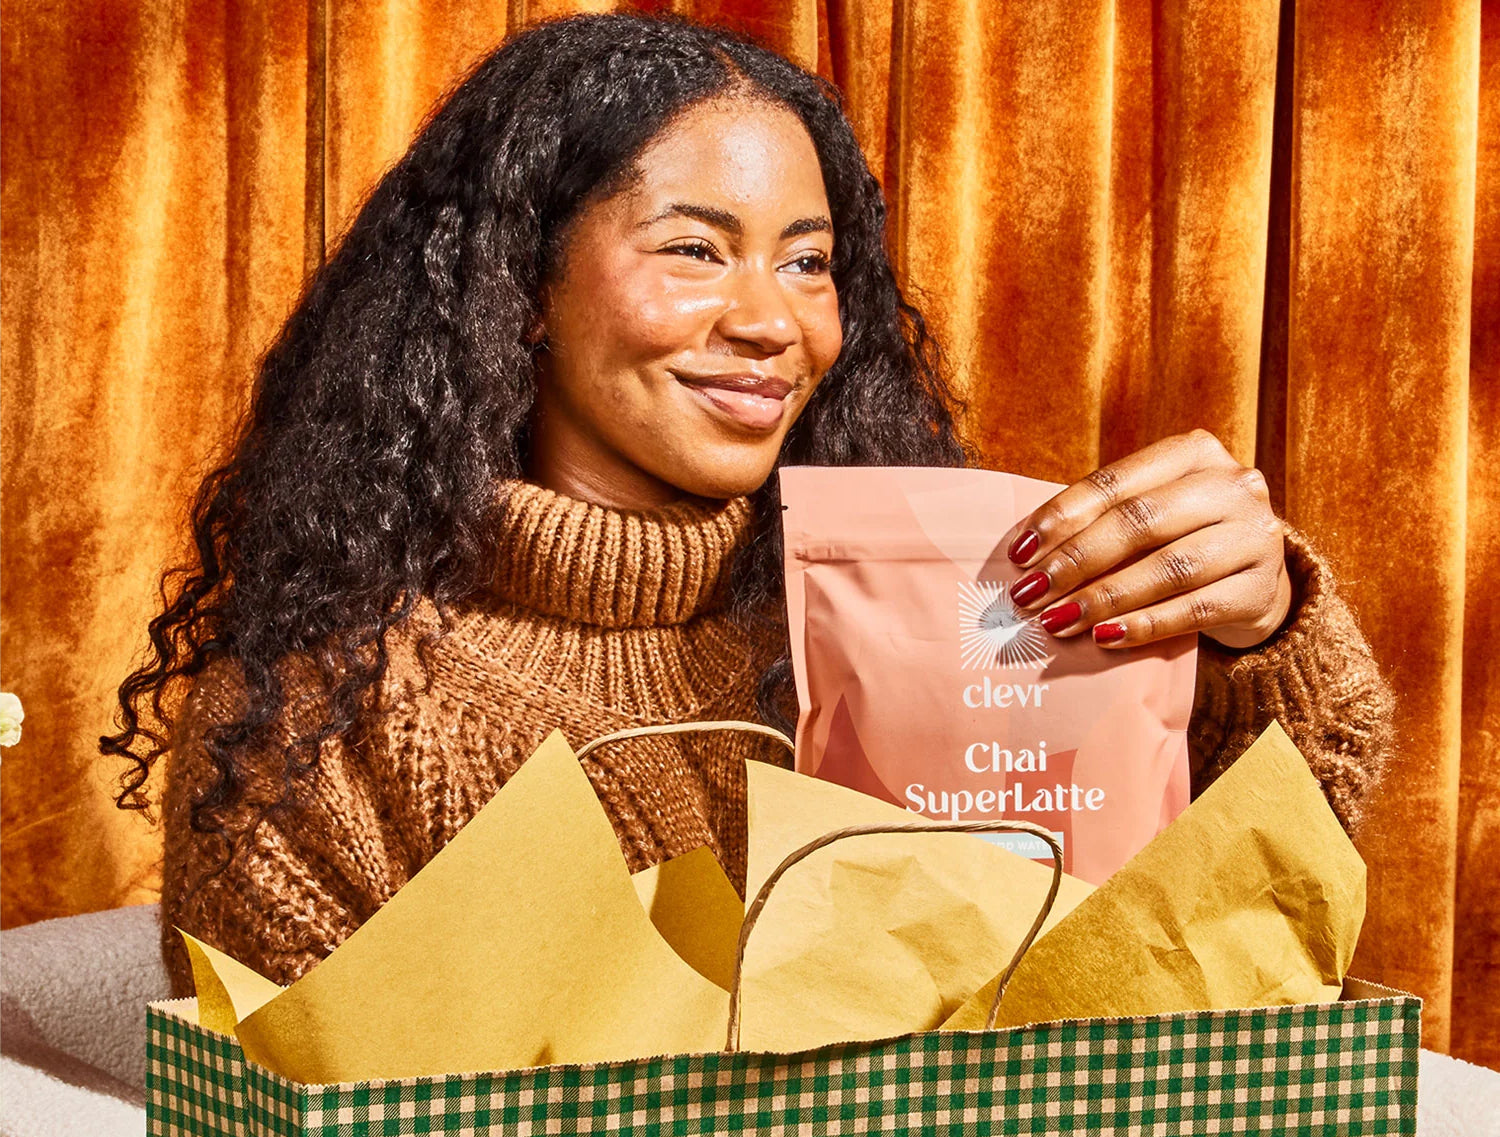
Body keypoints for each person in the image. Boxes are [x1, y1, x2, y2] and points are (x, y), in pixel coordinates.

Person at [103, 13, 1394, 996]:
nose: (772, 321)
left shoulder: (921, 617)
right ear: (518, 286)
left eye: (811, 262)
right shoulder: (318, 730)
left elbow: (1231, 928)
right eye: (693, 248)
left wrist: (1254, 626)